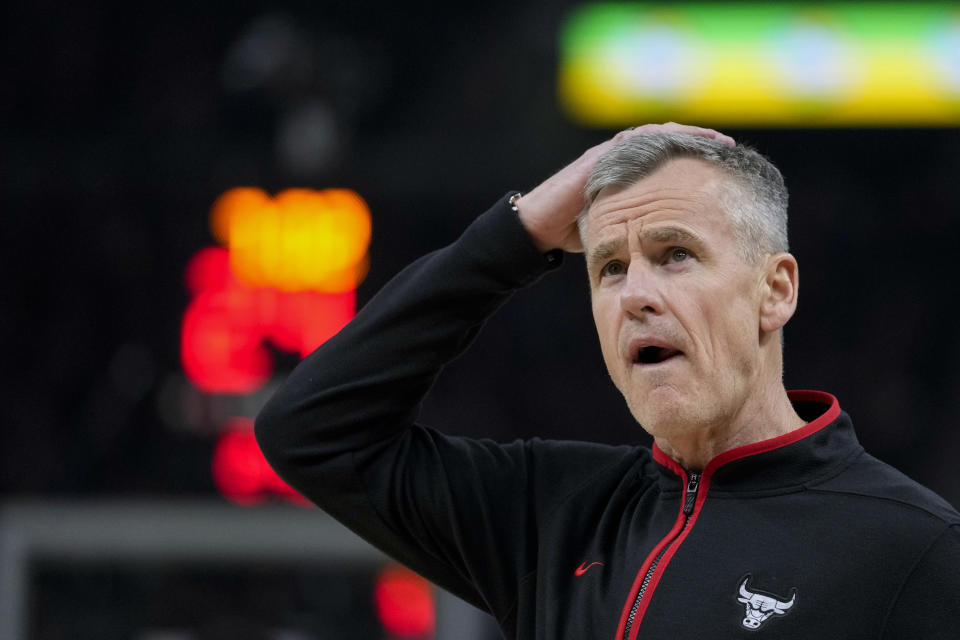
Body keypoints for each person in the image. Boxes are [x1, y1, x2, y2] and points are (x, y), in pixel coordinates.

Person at [255, 123, 960, 639]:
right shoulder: (553, 514)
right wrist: (521, 230)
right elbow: (310, 431)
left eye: (676, 254)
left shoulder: (911, 549)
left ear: (774, 291)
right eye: (609, 268)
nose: (635, 295)